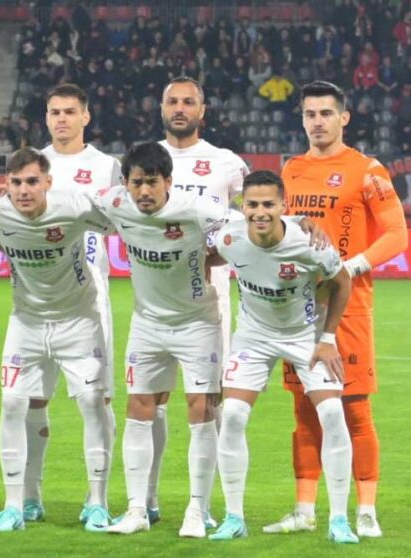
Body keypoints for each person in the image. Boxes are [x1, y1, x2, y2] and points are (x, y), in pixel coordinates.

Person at [264, 80, 407, 538]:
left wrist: (348, 267)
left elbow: (396, 235)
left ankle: (366, 510)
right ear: (302, 118)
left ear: (344, 118)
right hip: (296, 311)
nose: (317, 122)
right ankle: (305, 510)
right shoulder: (291, 170)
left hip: (348, 308)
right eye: (310, 114)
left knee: (355, 408)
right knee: (305, 412)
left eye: (326, 113)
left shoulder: (366, 169)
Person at [206, 170, 359, 544]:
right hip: (253, 337)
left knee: (332, 414)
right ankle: (234, 517)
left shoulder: (309, 242)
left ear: (283, 206)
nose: (260, 212)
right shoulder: (230, 238)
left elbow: (342, 282)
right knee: (234, 417)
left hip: (304, 336)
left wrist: (327, 339)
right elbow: (205, 257)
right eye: (252, 204)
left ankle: (339, 520)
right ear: (242, 206)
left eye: (268, 204)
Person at [0, 148, 115, 532]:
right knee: (13, 403)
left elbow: (118, 224)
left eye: (32, 181)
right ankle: (17, 504)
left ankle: (97, 503)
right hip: (27, 323)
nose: (23, 190)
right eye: (15, 182)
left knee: (91, 403)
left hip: (79, 320)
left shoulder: (75, 206)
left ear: (48, 182)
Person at [96, 143, 230, 535]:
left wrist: (299, 224)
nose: (144, 192)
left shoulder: (195, 208)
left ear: (168, 181)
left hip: (196, 323)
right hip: (147, 323)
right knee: (139, 405)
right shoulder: (115, 203)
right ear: (125, 183)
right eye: (137, 183)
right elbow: (68, 203)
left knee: (201, 408)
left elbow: (240, 230)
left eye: (152, 182)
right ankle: (137, 510)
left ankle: (197, 511)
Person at [156, 76, 249, 534]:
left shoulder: (226, 163)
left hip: (209, 299)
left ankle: (201, 506)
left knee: (205, 401)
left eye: (188, 102)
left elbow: (253, 217)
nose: (179, 108)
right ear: (161, 108)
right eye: (172, 101)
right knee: (149, 400)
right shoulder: (145, 158)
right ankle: (145, 502)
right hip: (153, 299)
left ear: (202, 110)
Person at [25, 83, 120, 525]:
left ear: (86, 116)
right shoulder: (32, 163)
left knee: (94, 400)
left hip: (89, 300)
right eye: (53, 111)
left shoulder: (106, 167)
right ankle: (30, 496)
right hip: (33, 299)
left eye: (69, 111)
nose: (60, 118)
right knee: (30, 401)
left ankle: (96, 498)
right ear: (45, 117)